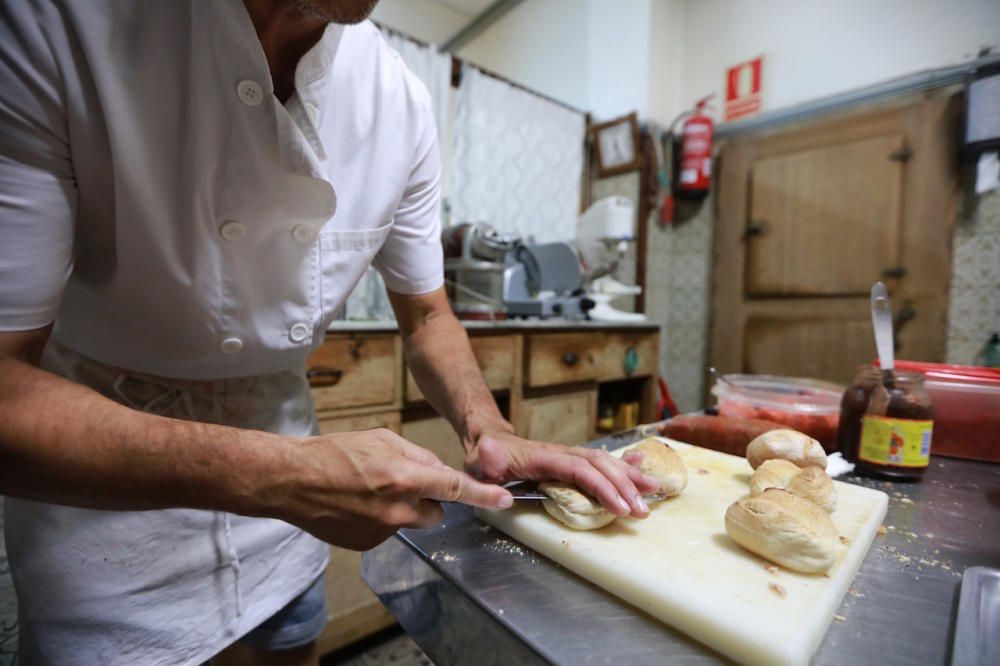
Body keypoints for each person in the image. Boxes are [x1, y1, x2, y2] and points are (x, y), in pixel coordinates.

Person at [0, 1, 658, 664]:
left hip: (287, 524)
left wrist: (490, 430)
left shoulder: (397, 102)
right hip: (106, 508)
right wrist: (280, 475)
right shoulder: (58, 25)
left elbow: (428, 316)